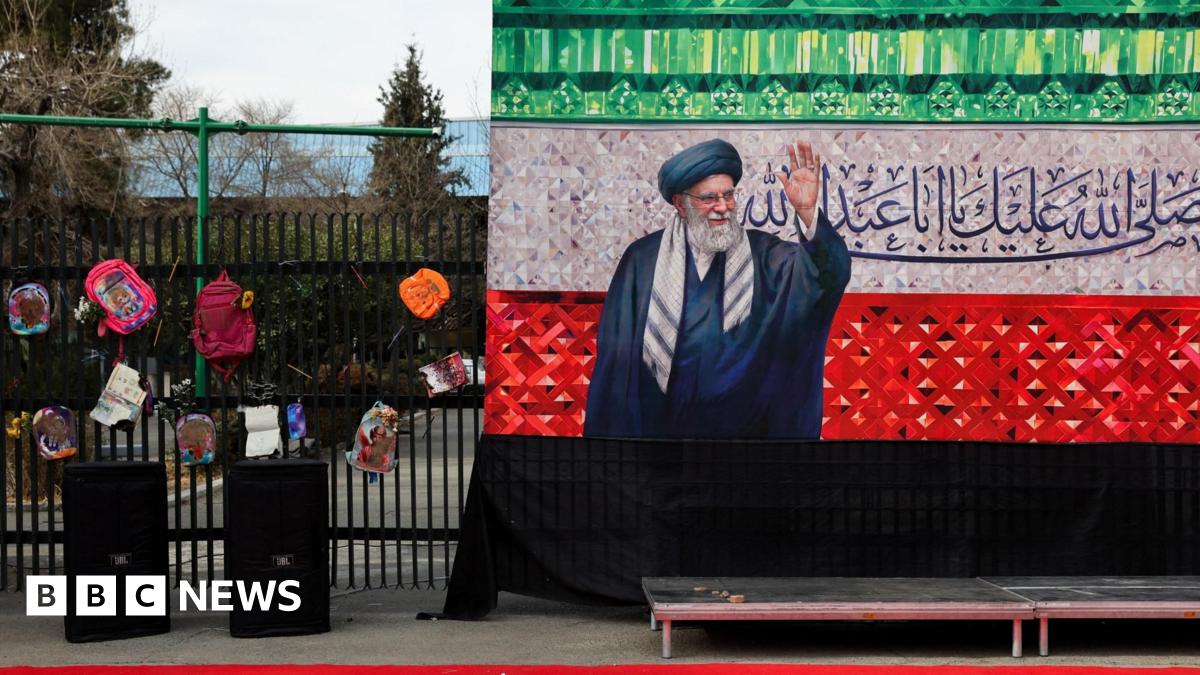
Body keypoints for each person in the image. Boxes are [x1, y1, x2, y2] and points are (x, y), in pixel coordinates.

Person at [583, 139, 851, 439]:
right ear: (680, 204)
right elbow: (617, 360)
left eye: (728, 195)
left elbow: (824, 275)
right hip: (660, 441)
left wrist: (807, 213)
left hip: (743, 445)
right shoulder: (642, 260)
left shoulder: (764, 254)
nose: (722, 207)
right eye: (709, 198)